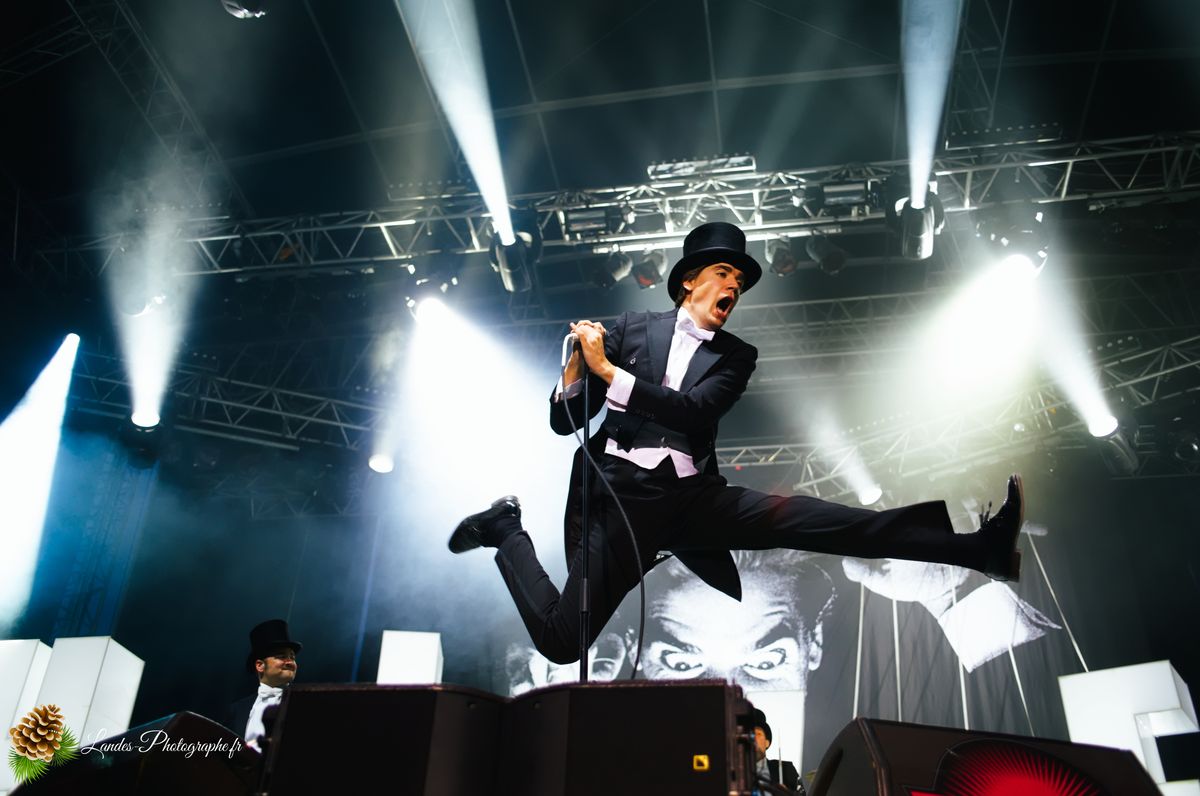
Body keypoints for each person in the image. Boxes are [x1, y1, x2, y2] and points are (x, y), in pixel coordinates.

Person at [448, 220, 1025, 666]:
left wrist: (609, 374)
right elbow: (565, 421)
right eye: (723, 273)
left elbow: (695, 411)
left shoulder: (735, 356)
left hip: (695, 500)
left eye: (740, 281)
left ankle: (981, 551)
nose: (733, 286)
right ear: (688, 282)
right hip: (622, 500)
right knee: (561, 643)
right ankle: (504, 528)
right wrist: (580, 364)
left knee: (830, 522)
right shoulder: (628, 330)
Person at [226, 618, 302, 752]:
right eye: (281, 656)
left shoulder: (303, 703)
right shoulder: (237, 710)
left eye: (292, 657)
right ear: (260, 665)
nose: (290, 662)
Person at [752, 707, 803, 794]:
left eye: (758, 734)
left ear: (767, 742)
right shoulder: (730, 775)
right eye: (750, 734)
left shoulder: (786, 770)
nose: (753, 738)